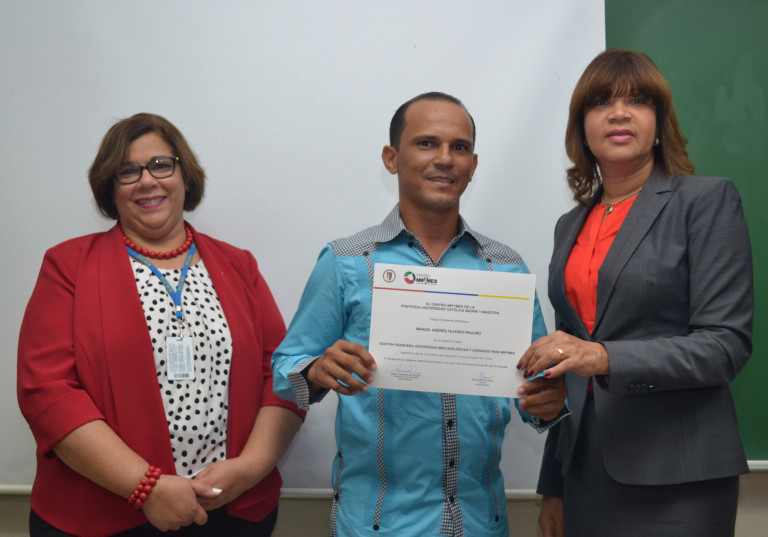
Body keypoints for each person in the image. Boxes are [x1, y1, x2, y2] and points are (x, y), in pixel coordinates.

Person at [271, 92, 568, 537]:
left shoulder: (505, 268)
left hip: (480, 523)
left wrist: (549, 400)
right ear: (392, 158)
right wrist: (316, 370)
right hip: (377, 525)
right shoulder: (347, 261)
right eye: (427, 143)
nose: (445, 159)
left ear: (473, 165)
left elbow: (538, 390)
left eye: (459, 147)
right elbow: (284, 369)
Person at [17, 113, 305, 537]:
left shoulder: (239, 265)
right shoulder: (68, 266)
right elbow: (48, 392)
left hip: (233, 510)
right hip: (104, 516)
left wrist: (248, 470)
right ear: (110, 188)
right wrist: (145, 487)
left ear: (185, 176)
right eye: (127, 171)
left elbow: (284, 375)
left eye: (160, 165)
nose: (147, 181)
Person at [517, 49, 754, 537]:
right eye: (601, 101)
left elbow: (724, 346)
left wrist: (603, 357)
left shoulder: (705, 201)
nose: (620, 112)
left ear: (660, 123)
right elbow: (569, 360)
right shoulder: (570, 225)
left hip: (680, 480)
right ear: (582, 127)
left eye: (639, 101)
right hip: (584, 475)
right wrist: (554, 485)